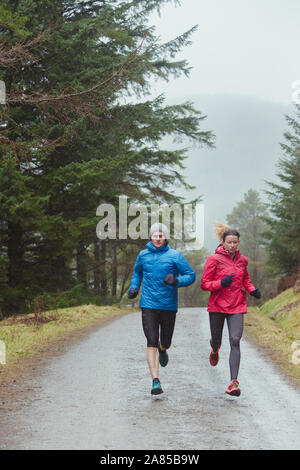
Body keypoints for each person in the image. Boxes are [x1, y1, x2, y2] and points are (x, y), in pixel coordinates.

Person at [128, 222, 196, 395]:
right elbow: (137, 273)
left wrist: (177, 281)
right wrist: (134, 288)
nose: (158, 239)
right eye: (155, 235)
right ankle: (155, 381)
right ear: (150, 237)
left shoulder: (175, 256)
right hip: (148, 304)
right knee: (151, 340)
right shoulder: (143, 255)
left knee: (165, 341)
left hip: (168, 305)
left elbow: (191, 275)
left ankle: (163, 348)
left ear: (165, 237)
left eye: (161, 236)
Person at [200, 223, 261, 397]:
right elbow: (204, 284)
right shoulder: (214, 260)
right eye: (229, 242)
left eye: (235, 242)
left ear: (238, 243)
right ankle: (215, 349)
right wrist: (221, 283)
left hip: (237, 305)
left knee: (235, 340)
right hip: (217, 306)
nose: (233, 245)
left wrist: (252, 290)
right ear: (223, 243)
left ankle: (233, 382)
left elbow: (245, 280)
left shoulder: (243, 261)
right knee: (217, 339)